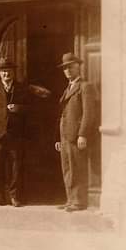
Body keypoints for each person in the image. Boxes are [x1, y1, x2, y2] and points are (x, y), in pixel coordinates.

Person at [0, 57, 31, 207]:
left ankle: (14, 196)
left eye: (8, 71)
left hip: (16, 134)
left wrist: (18, 108)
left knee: (16, 166)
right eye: (3, 71)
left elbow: (30, 109)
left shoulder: (21, 88)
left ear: (13, 72)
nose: (6, 74)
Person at [55, 52, 98, 212]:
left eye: (70, 67)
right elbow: (63, 114)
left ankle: (79, 202)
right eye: (65, 68)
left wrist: (82, 134)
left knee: (77, 167)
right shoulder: (68, 88)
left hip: (76, 134)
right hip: (65, 134)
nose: (67, 70)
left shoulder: (85, 86)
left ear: (78, 67)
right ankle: (70, 200)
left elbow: (89, 113)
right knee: (67, 167)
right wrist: (58, 137)